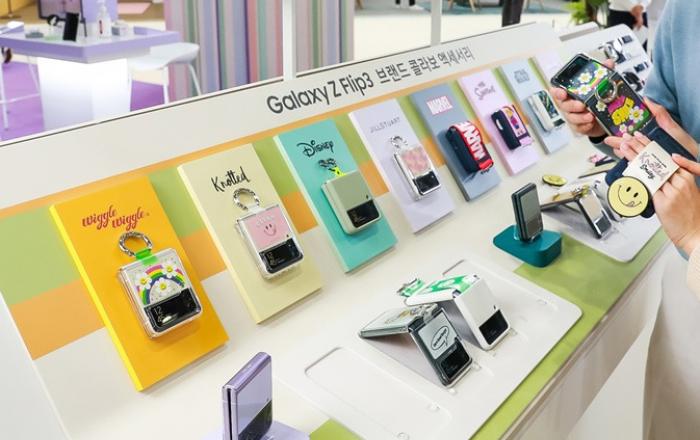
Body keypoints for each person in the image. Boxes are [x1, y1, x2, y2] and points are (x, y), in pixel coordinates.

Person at [550, 0, 700, 437]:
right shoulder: (685, 11)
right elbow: (662, 115)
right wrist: (604, 126)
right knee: (673, 421)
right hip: (687, 274)